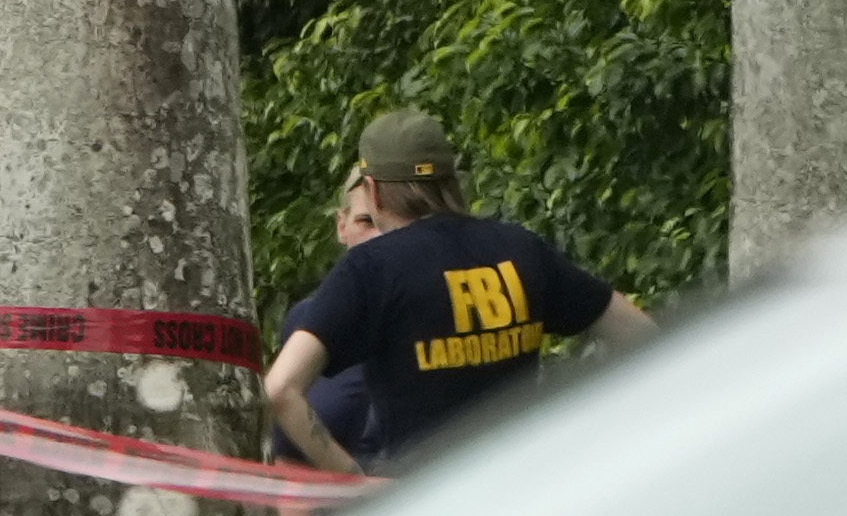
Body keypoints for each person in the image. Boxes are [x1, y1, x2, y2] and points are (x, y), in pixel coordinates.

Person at [260, 109, 638, 477]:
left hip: (432, 509)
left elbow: (280, 390)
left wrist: (355, 481)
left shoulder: (371, 268)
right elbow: (639, 334)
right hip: (527, 494)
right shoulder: (521, 248)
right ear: (452, 180)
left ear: (373, 191)